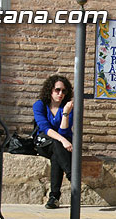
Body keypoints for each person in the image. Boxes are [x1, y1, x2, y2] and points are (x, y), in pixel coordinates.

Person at [32, 75, 73, 209]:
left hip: (60, 147)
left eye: (64, 91)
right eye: (57, 90)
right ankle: (72, 175)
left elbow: (64, 132)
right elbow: (45, 128)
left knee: (56, 156)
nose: (60, 94)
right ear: (50, 90)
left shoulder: (67, 107)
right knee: (56, 143)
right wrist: (62, 140)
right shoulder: (40, 105)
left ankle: (54, 197)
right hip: (45, 143)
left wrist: (66, 113)